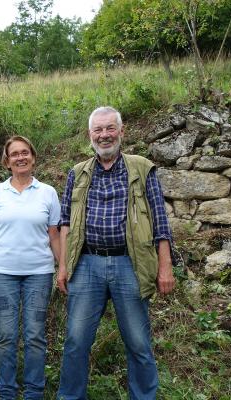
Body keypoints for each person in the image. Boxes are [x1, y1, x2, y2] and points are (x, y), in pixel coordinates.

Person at [56, 106, 175, 400]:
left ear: (122, 132)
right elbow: (65, 222)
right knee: (75, 342)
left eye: (110, 128)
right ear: (89, 135)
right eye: (98, 130)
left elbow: (161, 222)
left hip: (129, 265)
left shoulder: (142, 168)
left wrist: (165, 267)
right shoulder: (78, 173)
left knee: (138, 343)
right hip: (86, 264)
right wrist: (62, 266)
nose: (104, 135)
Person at [0, 136, 61, 400]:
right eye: (14, 154)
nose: (20, 158)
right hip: (3, 273)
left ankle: (34, 392)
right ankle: (6, 392)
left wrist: (62, 266)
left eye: (25, 153)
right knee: (7, 335)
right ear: (7, 161)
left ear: (32, 157)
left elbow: (54, 234)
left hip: (39, 273)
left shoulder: (48, 192)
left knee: (34, 335)